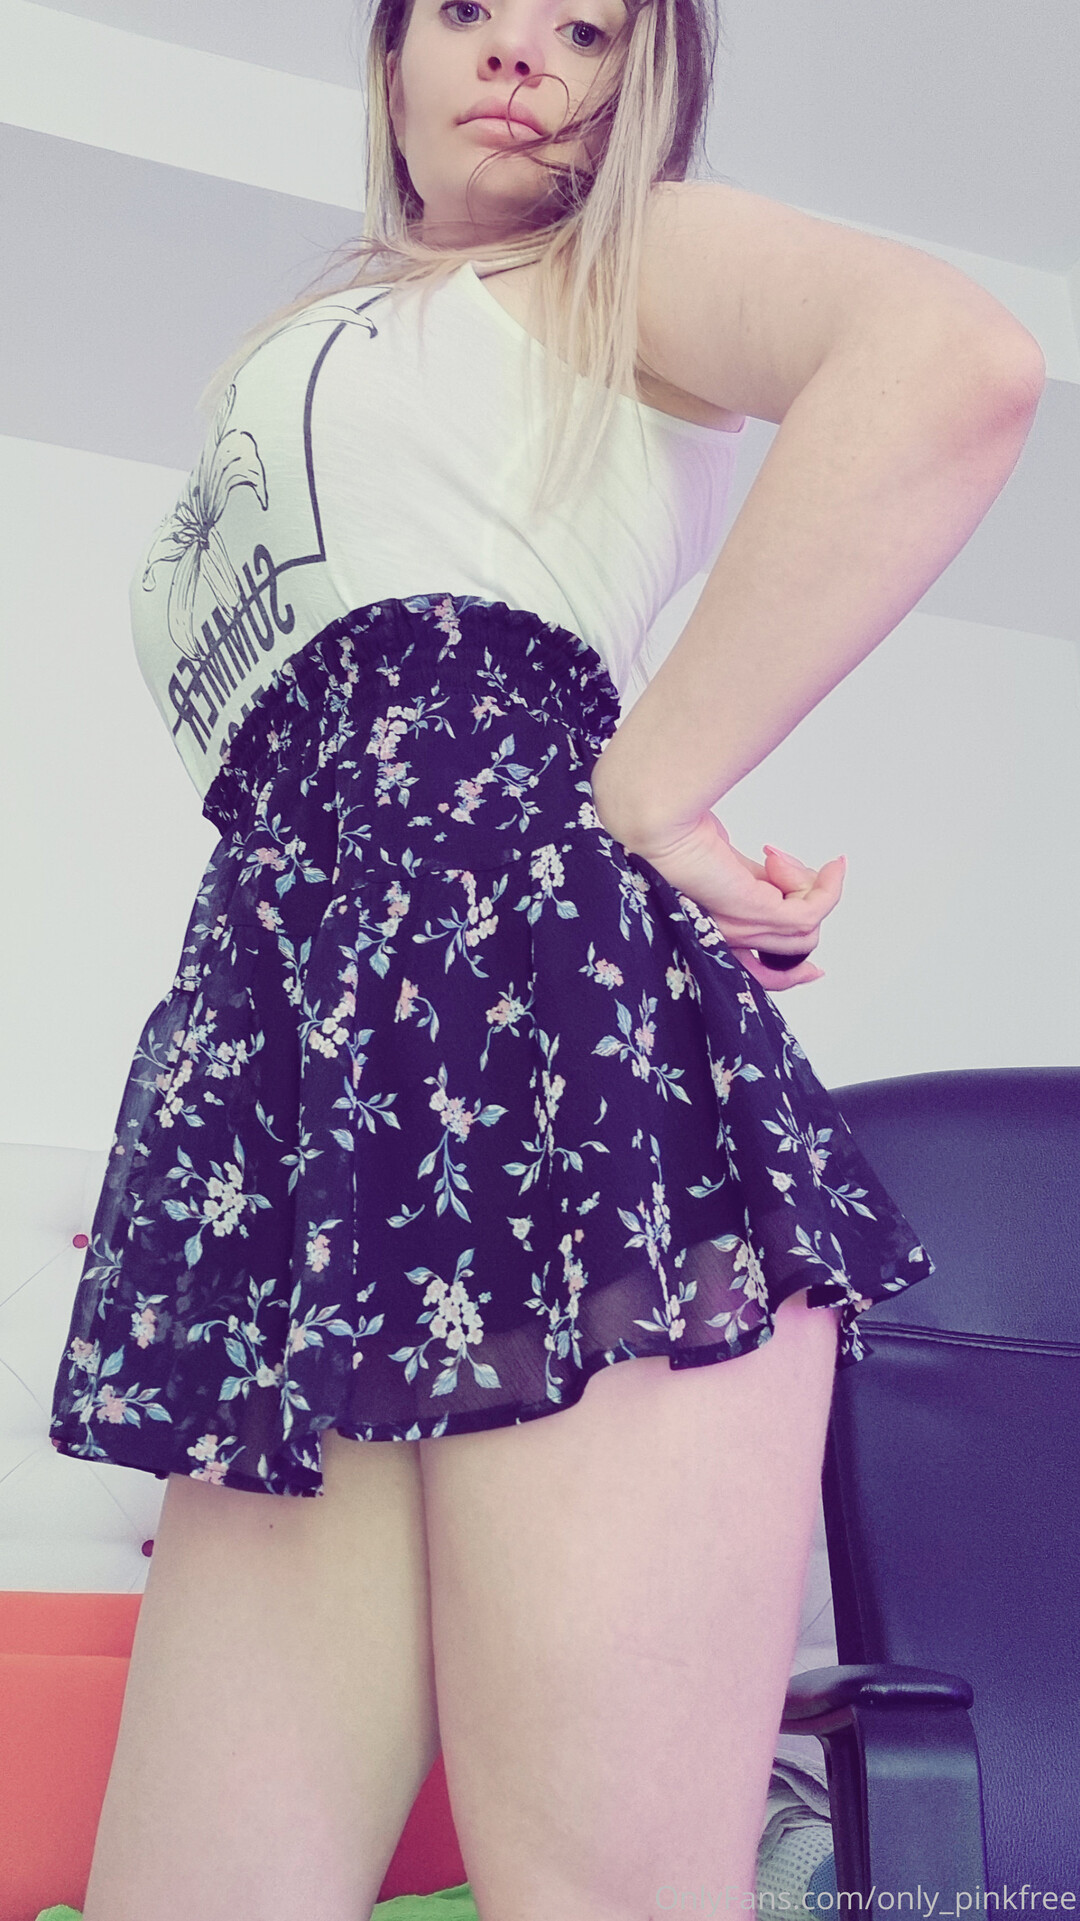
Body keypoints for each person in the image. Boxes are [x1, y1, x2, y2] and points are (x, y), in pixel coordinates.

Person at [51, 0, 1044, 1913]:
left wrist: (655, 785)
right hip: (307, 1105)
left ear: (636, 84)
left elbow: (956, 359)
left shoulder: (612, 260)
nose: (519, 55)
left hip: (556, 1067)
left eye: (583, 25)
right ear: (388, 57)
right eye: (468, 10)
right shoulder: (327, 346)